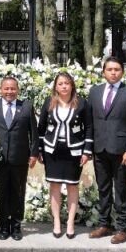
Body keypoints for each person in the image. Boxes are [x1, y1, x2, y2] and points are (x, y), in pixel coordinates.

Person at [85, 57, 126, 245]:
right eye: (109, 69)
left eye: (117, 69)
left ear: (122, 72)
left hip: (121, 150)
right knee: (103, 188)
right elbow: (90, 123)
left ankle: (123, 228)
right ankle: (104, 224)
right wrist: (88, 148)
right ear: (103, 72)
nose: (113, 72)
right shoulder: (95, 92)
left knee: (121, 189)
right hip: (99, 148)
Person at [37, 72, 90, 239]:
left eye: (67, 83)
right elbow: (41, 127)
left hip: (74, 150)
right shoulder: (49, 102)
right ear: (56, 87)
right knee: (55, 186)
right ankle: (57, 222)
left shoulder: (81, 103)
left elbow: (89, 127)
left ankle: (70, 222)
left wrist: (87, 151)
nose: (64, 86)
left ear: (72, 85)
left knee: (73, 186)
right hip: (52, 150)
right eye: (60, 84)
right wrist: (39, 149)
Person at [0, 76, 38, 241]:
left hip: (20, 158)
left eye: (13, 88)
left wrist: (34, 154)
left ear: (18, 90)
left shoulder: (26, 107)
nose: (9, 92)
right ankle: (3, 226)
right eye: (6, 88)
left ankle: (16, 226)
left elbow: (33, 133)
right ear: (0, 90)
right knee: (1, 193)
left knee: (18, 193)